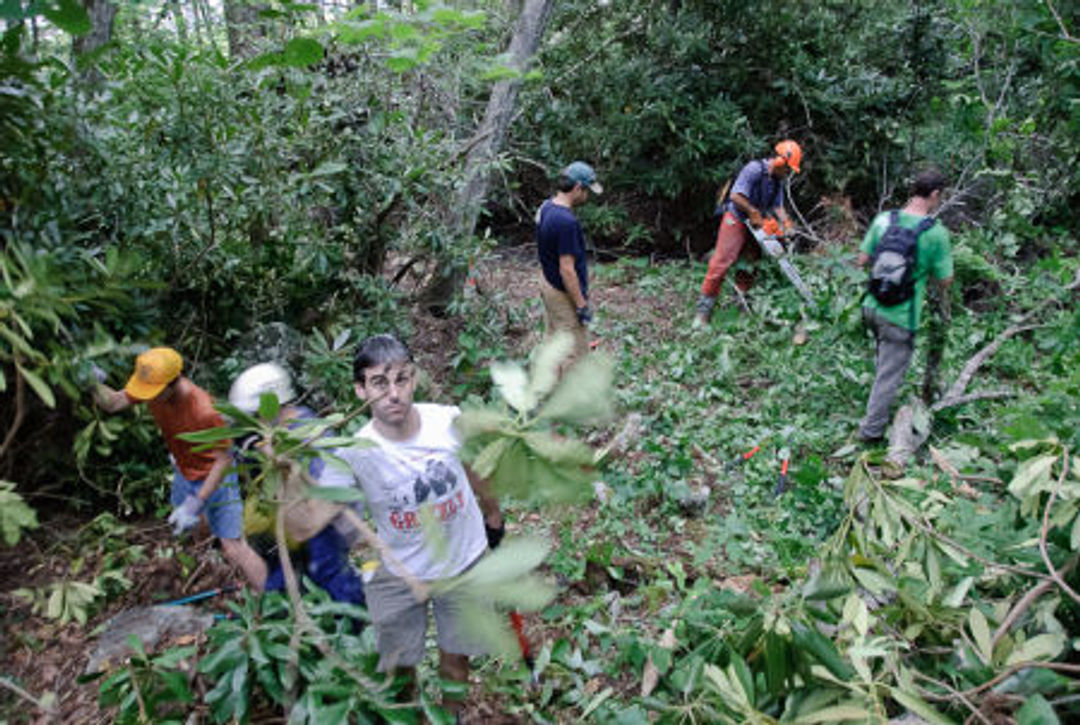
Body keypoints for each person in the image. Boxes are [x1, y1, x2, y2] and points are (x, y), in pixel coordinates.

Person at [318, 334, 503, 716]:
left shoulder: (447, 420)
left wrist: (492, 513)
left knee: (457, 657)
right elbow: (319, 512)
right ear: (360, 390)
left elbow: (475, 467)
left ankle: (452, 717)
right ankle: (414, 717)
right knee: (400, 666)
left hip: (463, 562)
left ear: (414, 379)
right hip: (400, 571)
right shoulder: (355, 450)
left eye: (401, 379)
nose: (394, 394)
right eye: (380, 383)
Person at [93, 347, 267, 589]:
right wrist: (90, 381)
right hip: (184, 468)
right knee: (198, 529)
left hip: (216, 478)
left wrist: (197, 499)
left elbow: (224, 459)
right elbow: (113, 403)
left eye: (152, 393)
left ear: (172, 384)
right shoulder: (155, 390)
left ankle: (272, 599)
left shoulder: (202, 409)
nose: (147, 398)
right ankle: (209, 568)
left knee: (233, 546)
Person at [227, 363, 366, 614]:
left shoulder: (313, 435)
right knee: (280, 589)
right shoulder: (256, 437)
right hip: (283, 530)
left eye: (253, 416)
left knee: (335, 585)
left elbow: (334, 495)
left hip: (323, 532)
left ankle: (355, 630)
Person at [856, 168, 954, 443]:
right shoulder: (935, 233)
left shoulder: (885, 219)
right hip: (901, 315)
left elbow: (862, 259)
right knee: (890, 375)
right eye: (940, 196)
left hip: (871, 306)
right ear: (934, 194)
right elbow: (945, 280)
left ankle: (876, 405)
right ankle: (871, 432)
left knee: (884, 357)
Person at [694, 140, 803, 327]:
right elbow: (735, 196)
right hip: (736, 217)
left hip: (756, 223)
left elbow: (777, 206)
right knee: (721, 262)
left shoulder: (777, 182)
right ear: (779, 161)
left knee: (751, 264)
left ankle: (742, 306)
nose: (788, 174)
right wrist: (752, 212)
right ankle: (703, 313)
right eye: (787, 169)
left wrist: (787, 224)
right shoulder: (753, 169)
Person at [536, 160, 602, 367]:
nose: (587, 196)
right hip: (561, 292)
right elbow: (567, 269)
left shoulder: (546, 207)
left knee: (554, 343)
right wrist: (581, 305)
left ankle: (545, 391)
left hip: (547, 281)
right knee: (574, 352)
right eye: (586, 191)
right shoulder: (566, 222)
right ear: (577, 188)